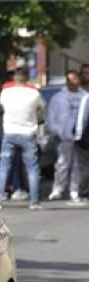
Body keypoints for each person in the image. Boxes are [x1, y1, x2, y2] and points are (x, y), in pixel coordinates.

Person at [0, 69, 45, 210]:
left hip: (9, 133)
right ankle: (34, 202)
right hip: (28, 133)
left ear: (14, 79)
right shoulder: (34, 94)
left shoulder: (5, 93)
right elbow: (41, 109)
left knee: (4, 167)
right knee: (32, 168)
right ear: (27, 79)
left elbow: (3, 106)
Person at [47, 69, 86, 202]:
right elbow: (51, 116)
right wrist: (54, 131)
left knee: (77, 166)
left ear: (79, 80)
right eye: (69, 80)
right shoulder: (58, 97)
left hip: (81, 137)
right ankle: (58, 188)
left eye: (74, 79)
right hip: (64, 136)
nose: (72, 82)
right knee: (62, 164)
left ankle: (75, 190)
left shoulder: (85, 96)